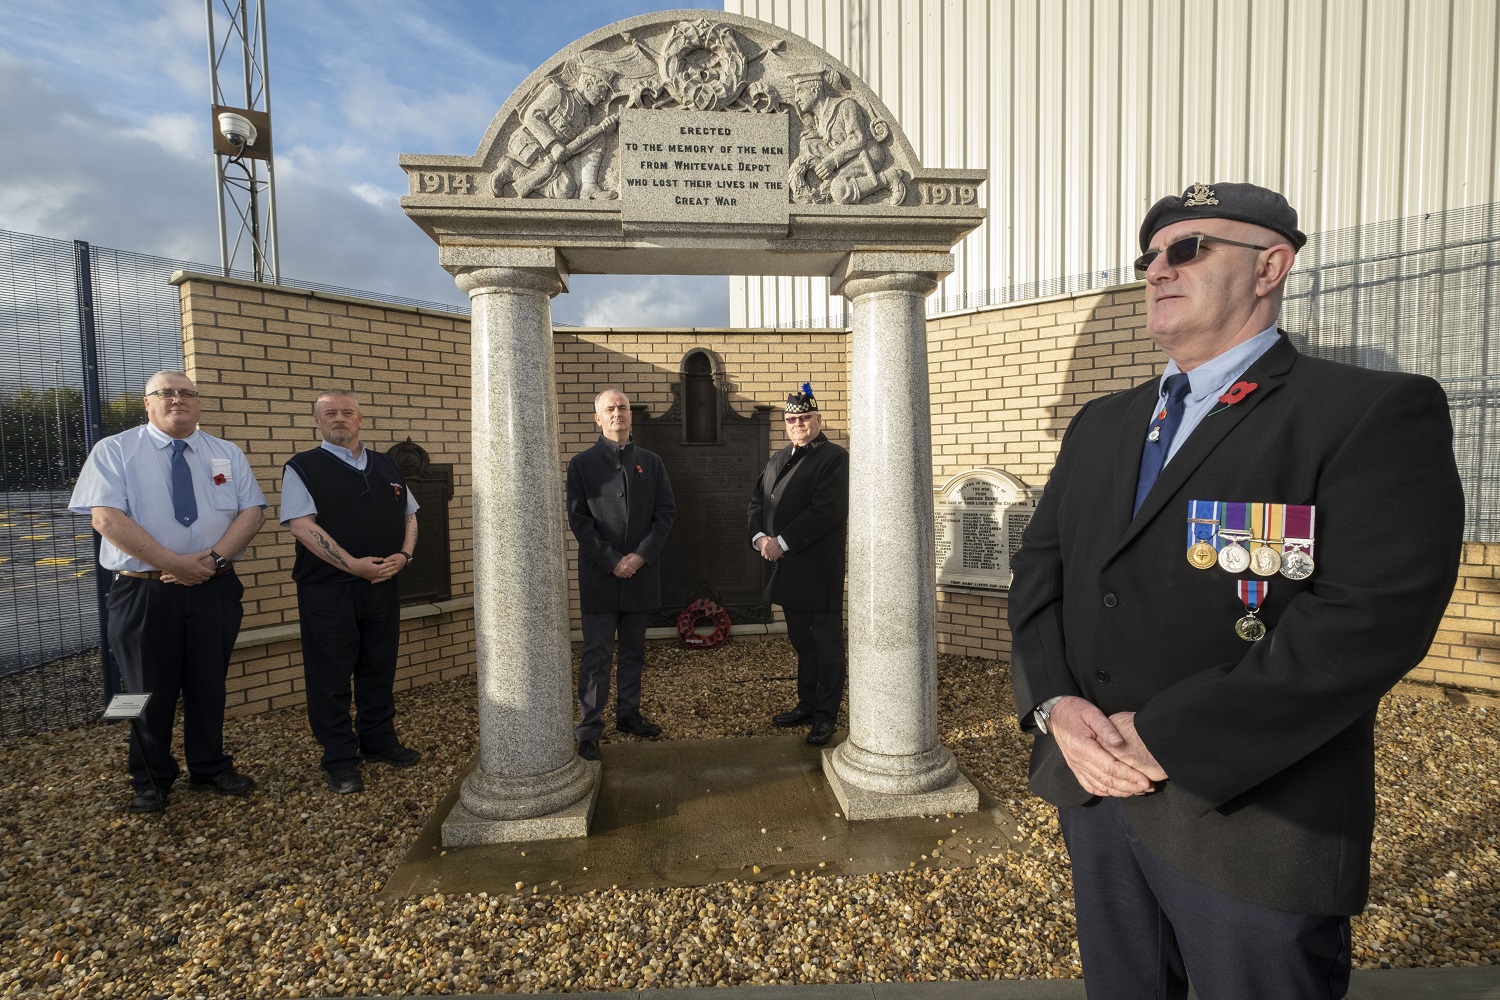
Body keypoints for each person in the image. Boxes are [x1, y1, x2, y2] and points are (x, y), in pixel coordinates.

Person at [1008, 182, 1464, 1000]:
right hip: (1100, 803)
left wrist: (1168, 736)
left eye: (1188, 248)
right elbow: (1040, 576)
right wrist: (1054, 707)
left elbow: (1369, 621)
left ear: (1271, 266)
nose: (1156, 270)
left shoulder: (1365, 413)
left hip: (1253, 825)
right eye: (1149, 255)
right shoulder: (1102, 425)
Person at [69, 370, 267, 813]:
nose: (177, 399)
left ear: (198, 403)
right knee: (144, 690)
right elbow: (106, 519)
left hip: (213, 588)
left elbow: (252, 512)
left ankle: (210, 766)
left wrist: (212, 562)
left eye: (187, 393)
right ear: (147, 402)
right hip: (143, 592)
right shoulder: (115, 451)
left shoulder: (226, 453)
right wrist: (172, 563)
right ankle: (150, 778)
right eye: (166, 392)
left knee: (208, 684)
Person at [281, 390, 420, 795]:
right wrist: (352, 565)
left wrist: (405, 557)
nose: (339, 418)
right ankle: (340, 758)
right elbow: (302, 526)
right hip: (330, 591)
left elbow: (410, 514)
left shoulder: (386, 464)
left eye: (347, 412)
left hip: (383, 586)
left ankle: (378, 741)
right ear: (317, 423)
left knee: (378, 667)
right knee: (331, 676)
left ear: (360, 419)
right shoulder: (303, 467)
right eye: (329, 414)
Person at [566, 388, 676, 761]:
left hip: (640, 575)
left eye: (623, 408)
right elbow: (579, 521)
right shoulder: (581, 465)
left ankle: (628, 714)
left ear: (631, 415)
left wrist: (640, 557)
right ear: (597, 419)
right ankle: (589, 729)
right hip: (601, 575)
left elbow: (665, 514)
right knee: (596, 654)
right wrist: (613, 560)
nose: (617, 414)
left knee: (634, 651)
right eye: (609, 409)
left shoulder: (652, 462)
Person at [748, 383, 850, 746]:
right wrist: (760, 538)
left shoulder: (834, 458)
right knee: (800, 641)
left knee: (826, 646)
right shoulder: (777, 459)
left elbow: (824, 512)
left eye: (805, 418)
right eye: (793, 419)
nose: (799, 424)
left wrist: (782, 542)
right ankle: (807, 703)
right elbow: (755, 503)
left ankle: (826, 715)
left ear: (818, 420)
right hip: (786, 567)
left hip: (818, 569)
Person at [489, 58, 620, 201]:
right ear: (588, 84)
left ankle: (589, 187)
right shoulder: (558, 92)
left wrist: (604, 129)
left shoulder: (585, 116)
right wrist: (553, 144)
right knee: (565, 190)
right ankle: (511, 170)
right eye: (602, 89)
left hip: (550, 157)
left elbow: (578, 145)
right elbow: (532, 116)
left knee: (565, 189)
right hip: (528, 145)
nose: (603, 97)